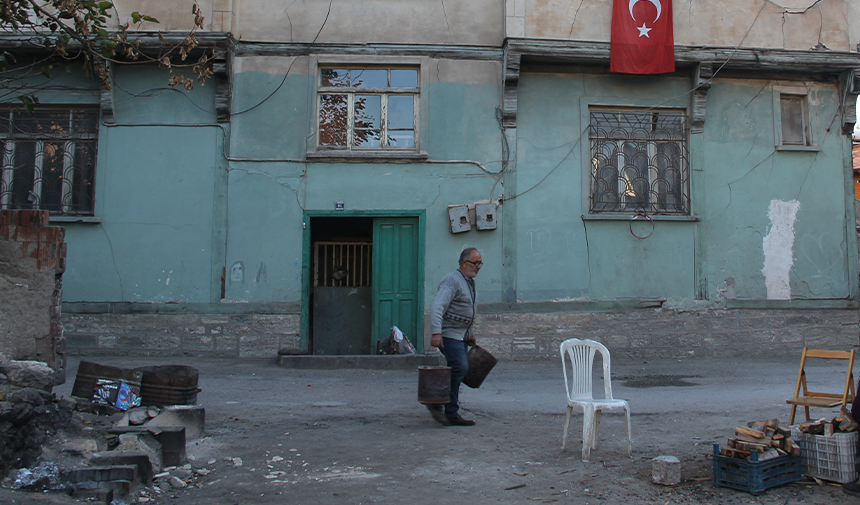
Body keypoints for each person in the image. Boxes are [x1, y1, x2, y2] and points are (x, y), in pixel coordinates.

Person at [427, 247, 482, 426]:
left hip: (461, 335)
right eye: (476, 263)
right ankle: (437, 403)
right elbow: (437, 307)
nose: (479, 267)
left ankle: (449, 411)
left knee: (457, 370)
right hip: (449, 334)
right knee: (460, 367)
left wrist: (470, 334)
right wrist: (436, 333)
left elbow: (469, 311)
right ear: (464, 263)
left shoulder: (469, 282)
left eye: (480, 263)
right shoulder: (452, 281)